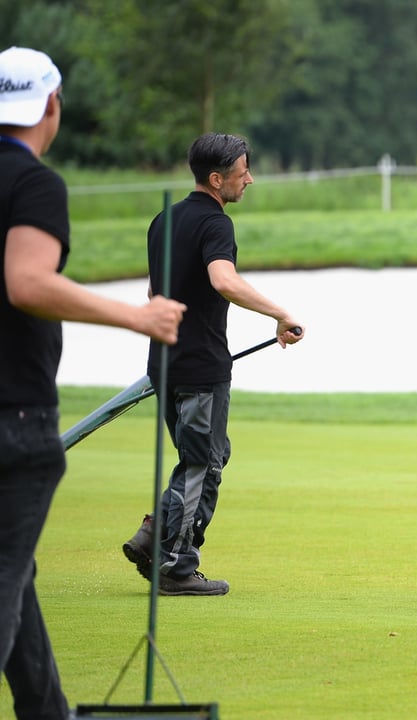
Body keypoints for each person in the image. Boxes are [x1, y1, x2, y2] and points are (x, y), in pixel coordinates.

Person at [1, 46, 186, 720]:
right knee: (3, 576)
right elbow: (26, 282)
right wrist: (134, 314)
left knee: (16, 578)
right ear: (51, 106)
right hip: (14, 419)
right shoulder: (34, 183)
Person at [121, 132, 305, 597]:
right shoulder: (216, 224)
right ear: (217, 178)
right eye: (244, 172)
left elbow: (154, 294)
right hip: (201, 367)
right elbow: (223, 280)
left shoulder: (163, 220)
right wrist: (279, 313)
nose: (251, 179)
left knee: (203, 458)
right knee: (202, 465)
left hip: (164, 361)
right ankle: (177, 567)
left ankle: (153, 537)